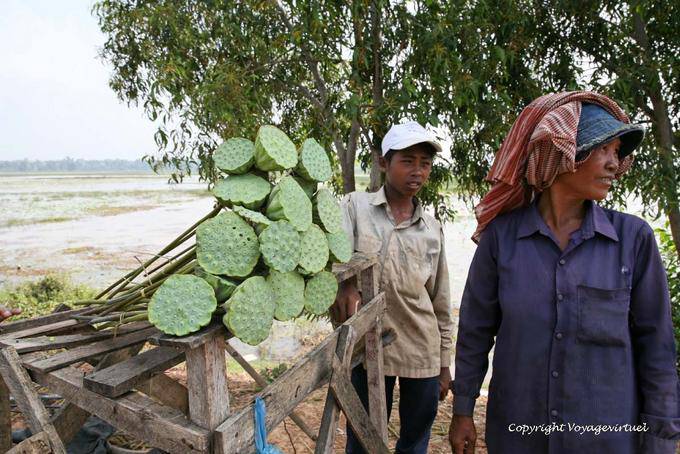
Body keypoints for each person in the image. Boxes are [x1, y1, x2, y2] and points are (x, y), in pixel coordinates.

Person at [448, 91, 680, 453]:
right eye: (603, 150)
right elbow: (476, 331)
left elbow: (657, 350)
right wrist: (463, 410)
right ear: (562, 155)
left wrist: (661, 439)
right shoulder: (502, 239)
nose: (613, 164)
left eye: (617, 153)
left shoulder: (633, 240)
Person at [331, 121, 453, 454]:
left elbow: (440, 301)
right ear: (384, 163)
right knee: (362, 438)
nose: (418, 171)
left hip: (421, 349)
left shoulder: (432, 229)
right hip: (369, 349)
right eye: (408, 161)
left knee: (414, 442)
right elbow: (334, 255)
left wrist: (444, 363)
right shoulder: (355, 207)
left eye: (425, 164)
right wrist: (345, 284)